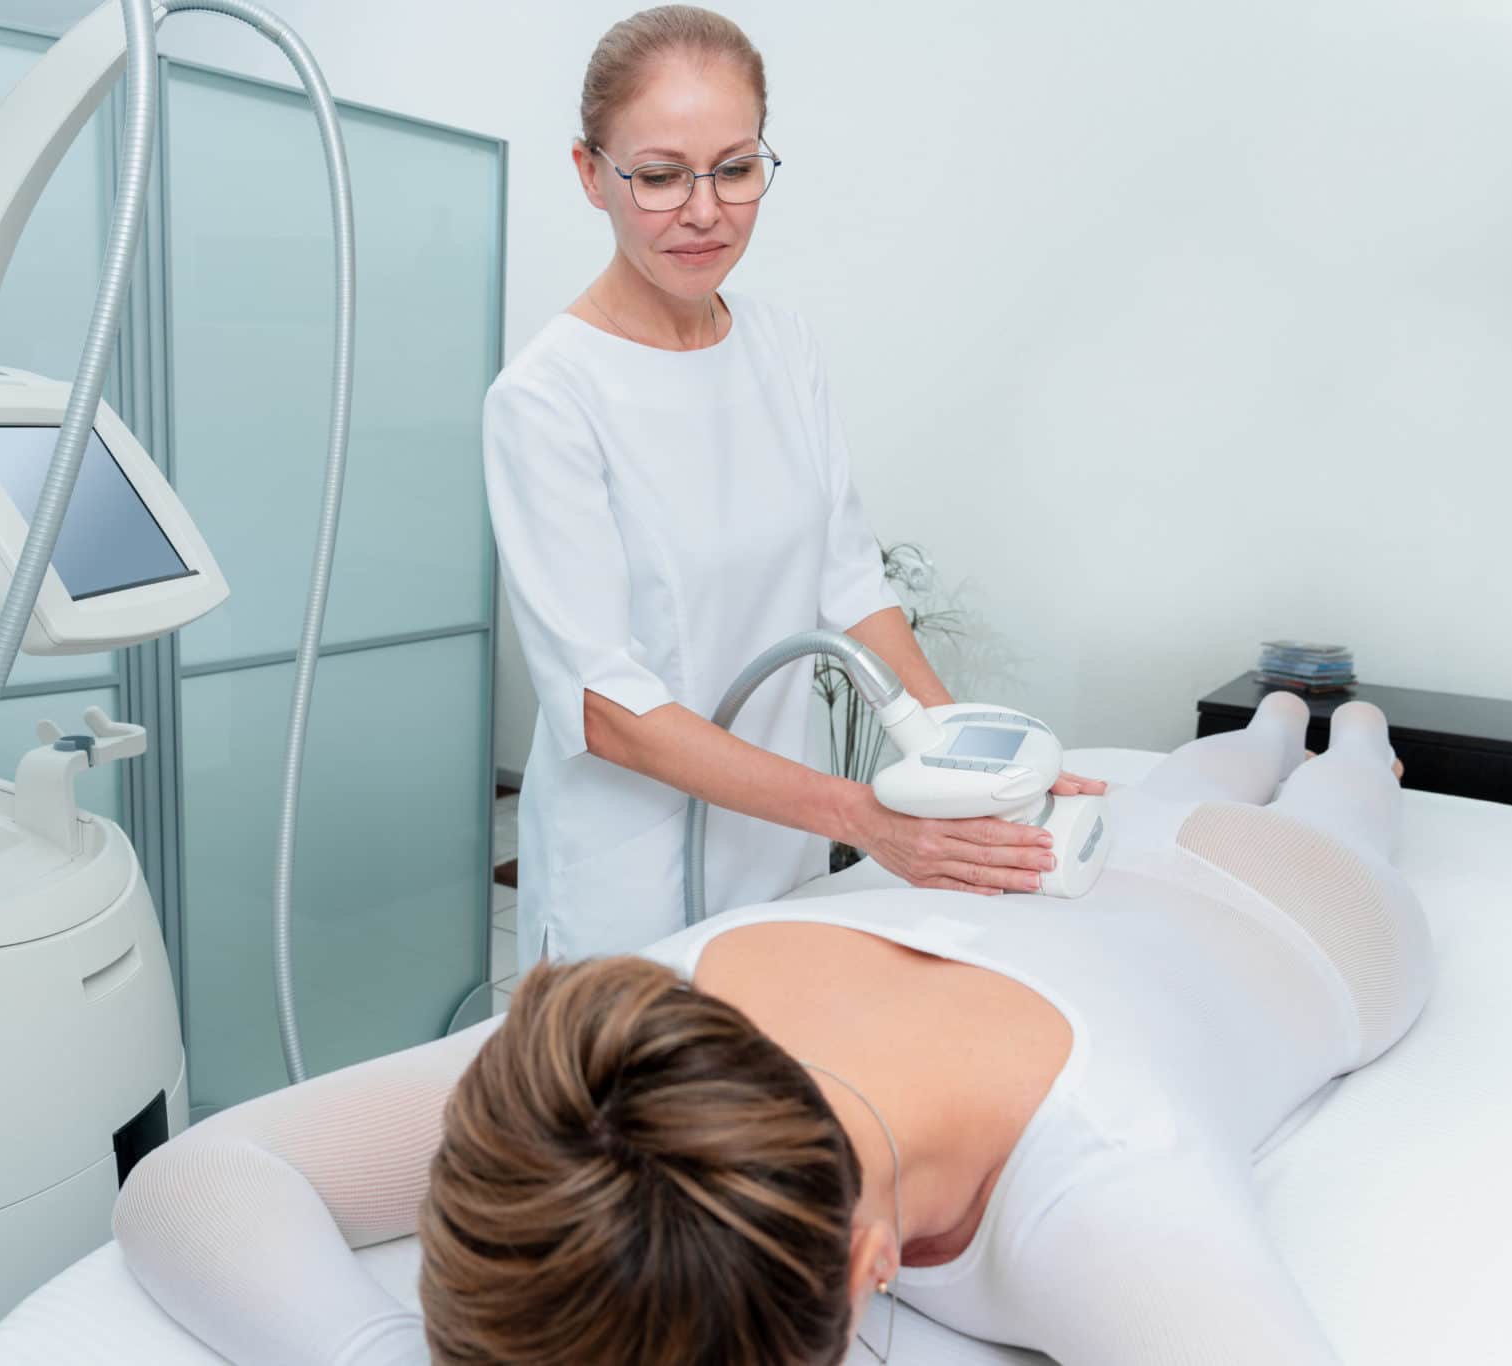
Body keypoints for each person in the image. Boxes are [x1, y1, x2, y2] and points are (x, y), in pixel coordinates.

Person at [114, 695, 1426, 1365]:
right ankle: (1266, 720)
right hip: (1039, 878)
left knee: (1338, 791)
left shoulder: (1110, 1198)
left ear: (866, 1266)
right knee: (1183, 771)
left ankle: (1347, 724)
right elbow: (201, 1177)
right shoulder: (640, 1059)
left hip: (1291, 915)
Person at [485, 6, 1104, 969]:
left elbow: (849, 582)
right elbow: (605, 705)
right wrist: (865, 814)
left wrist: (977, 774)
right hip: (629, 869)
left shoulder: (783, 347)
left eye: (734, 169)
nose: (703, 211)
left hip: (779, 842)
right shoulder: (548, 397)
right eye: (657, 176)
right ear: (589, 174)